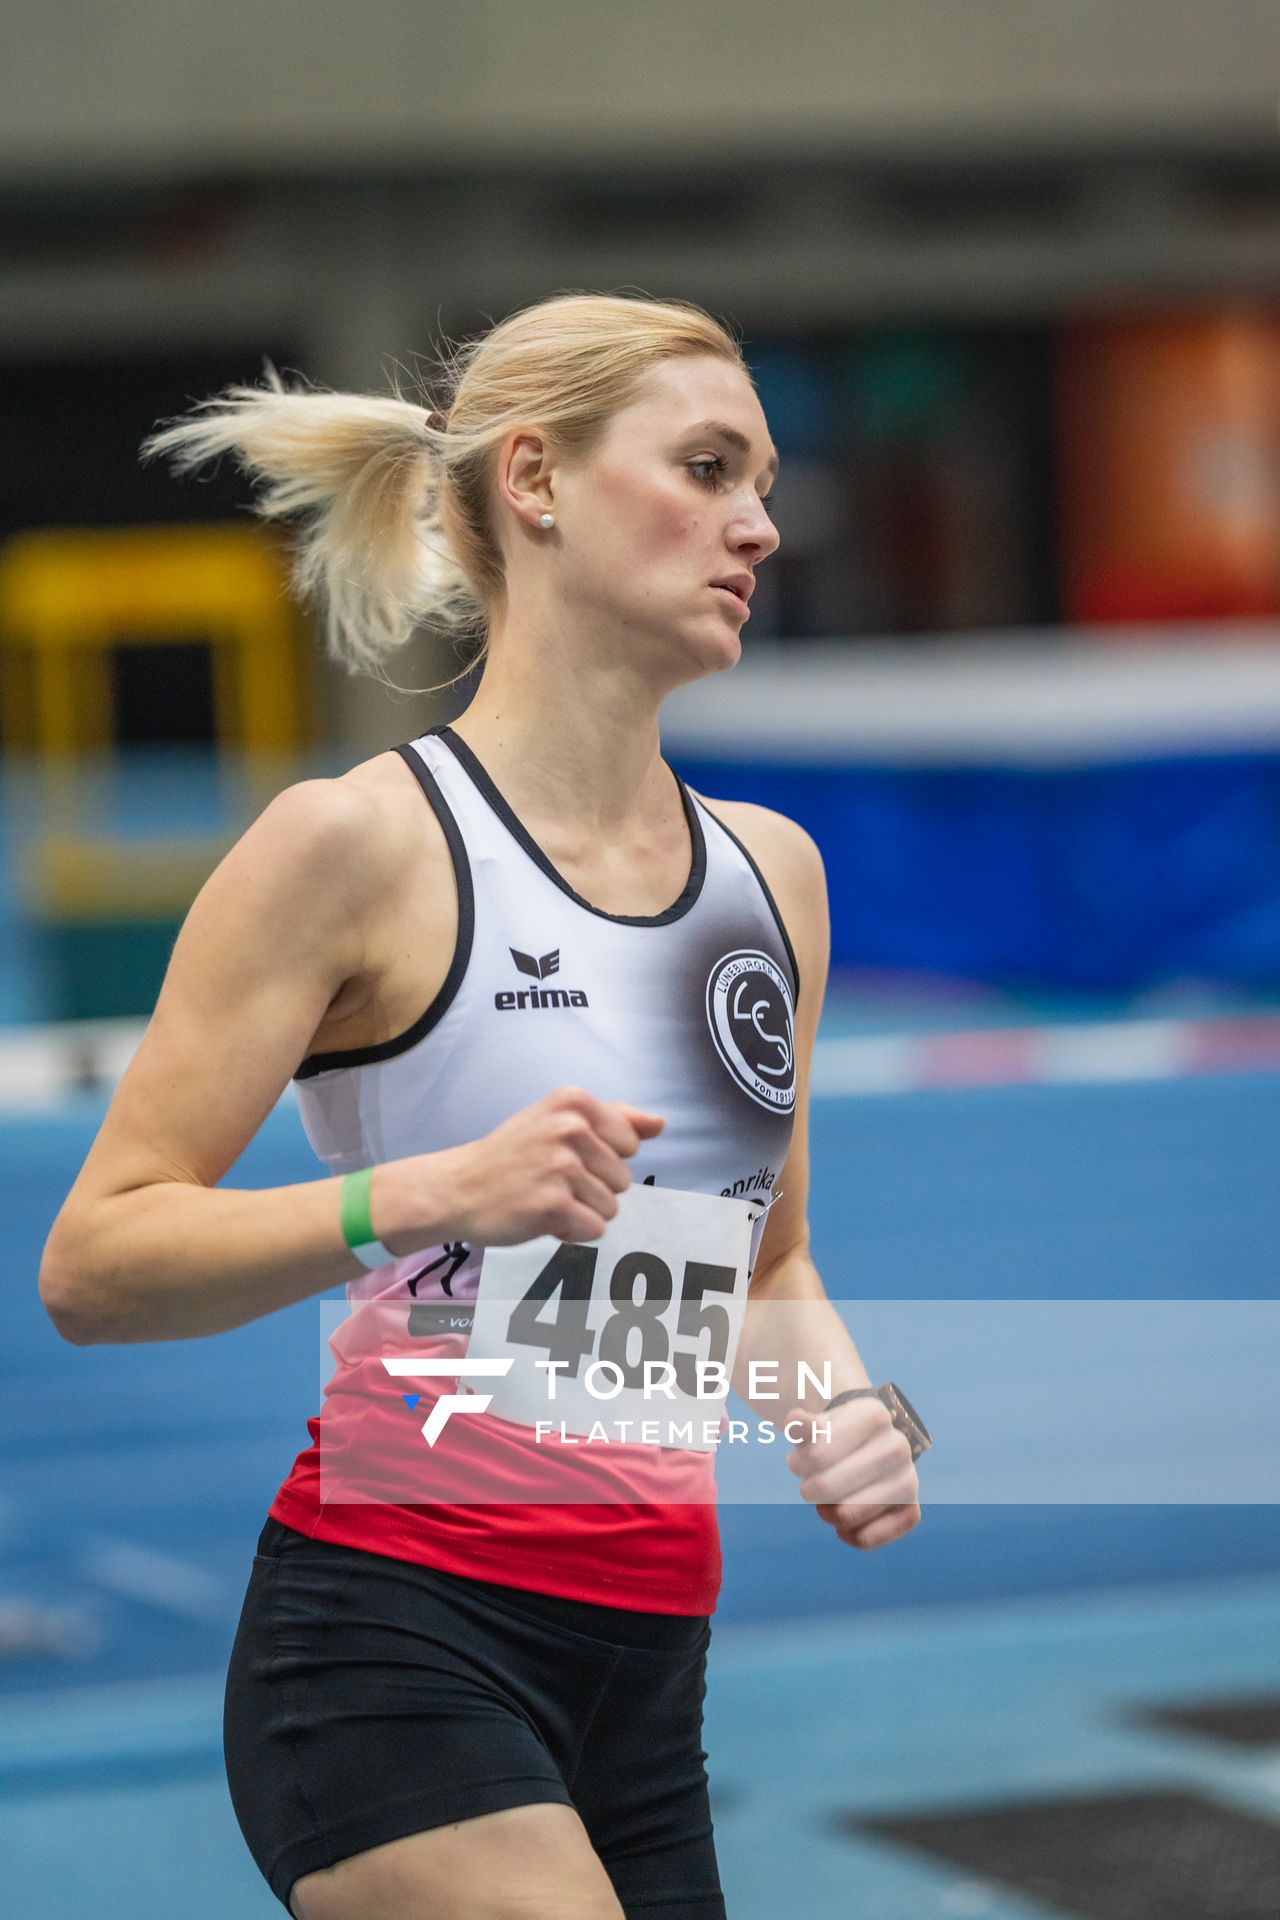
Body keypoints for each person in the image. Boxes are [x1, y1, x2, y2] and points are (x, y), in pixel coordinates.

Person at [38, 292, 922, 1920]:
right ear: (536, 479)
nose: (759, 526)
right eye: (709, 468)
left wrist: (835, 1412)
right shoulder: (354, 847)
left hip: (649, 1669)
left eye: (762, 482)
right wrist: (428, 1195)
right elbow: (96, 1264)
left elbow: (767, 1264)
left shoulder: (773, 877)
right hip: (394, 1637)